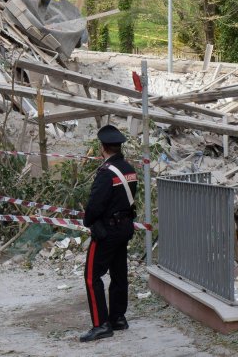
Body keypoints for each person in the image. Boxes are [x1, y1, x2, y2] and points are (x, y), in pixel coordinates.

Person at [79, 124, 139, 343]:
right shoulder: (129, 169)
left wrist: (89, 222)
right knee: (119, 273)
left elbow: (95, 204)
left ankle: (101, 324)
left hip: (107, 230)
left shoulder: (106, 173)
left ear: (103, 147)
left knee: (91, 276)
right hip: (124, 227)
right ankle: (118, 318)